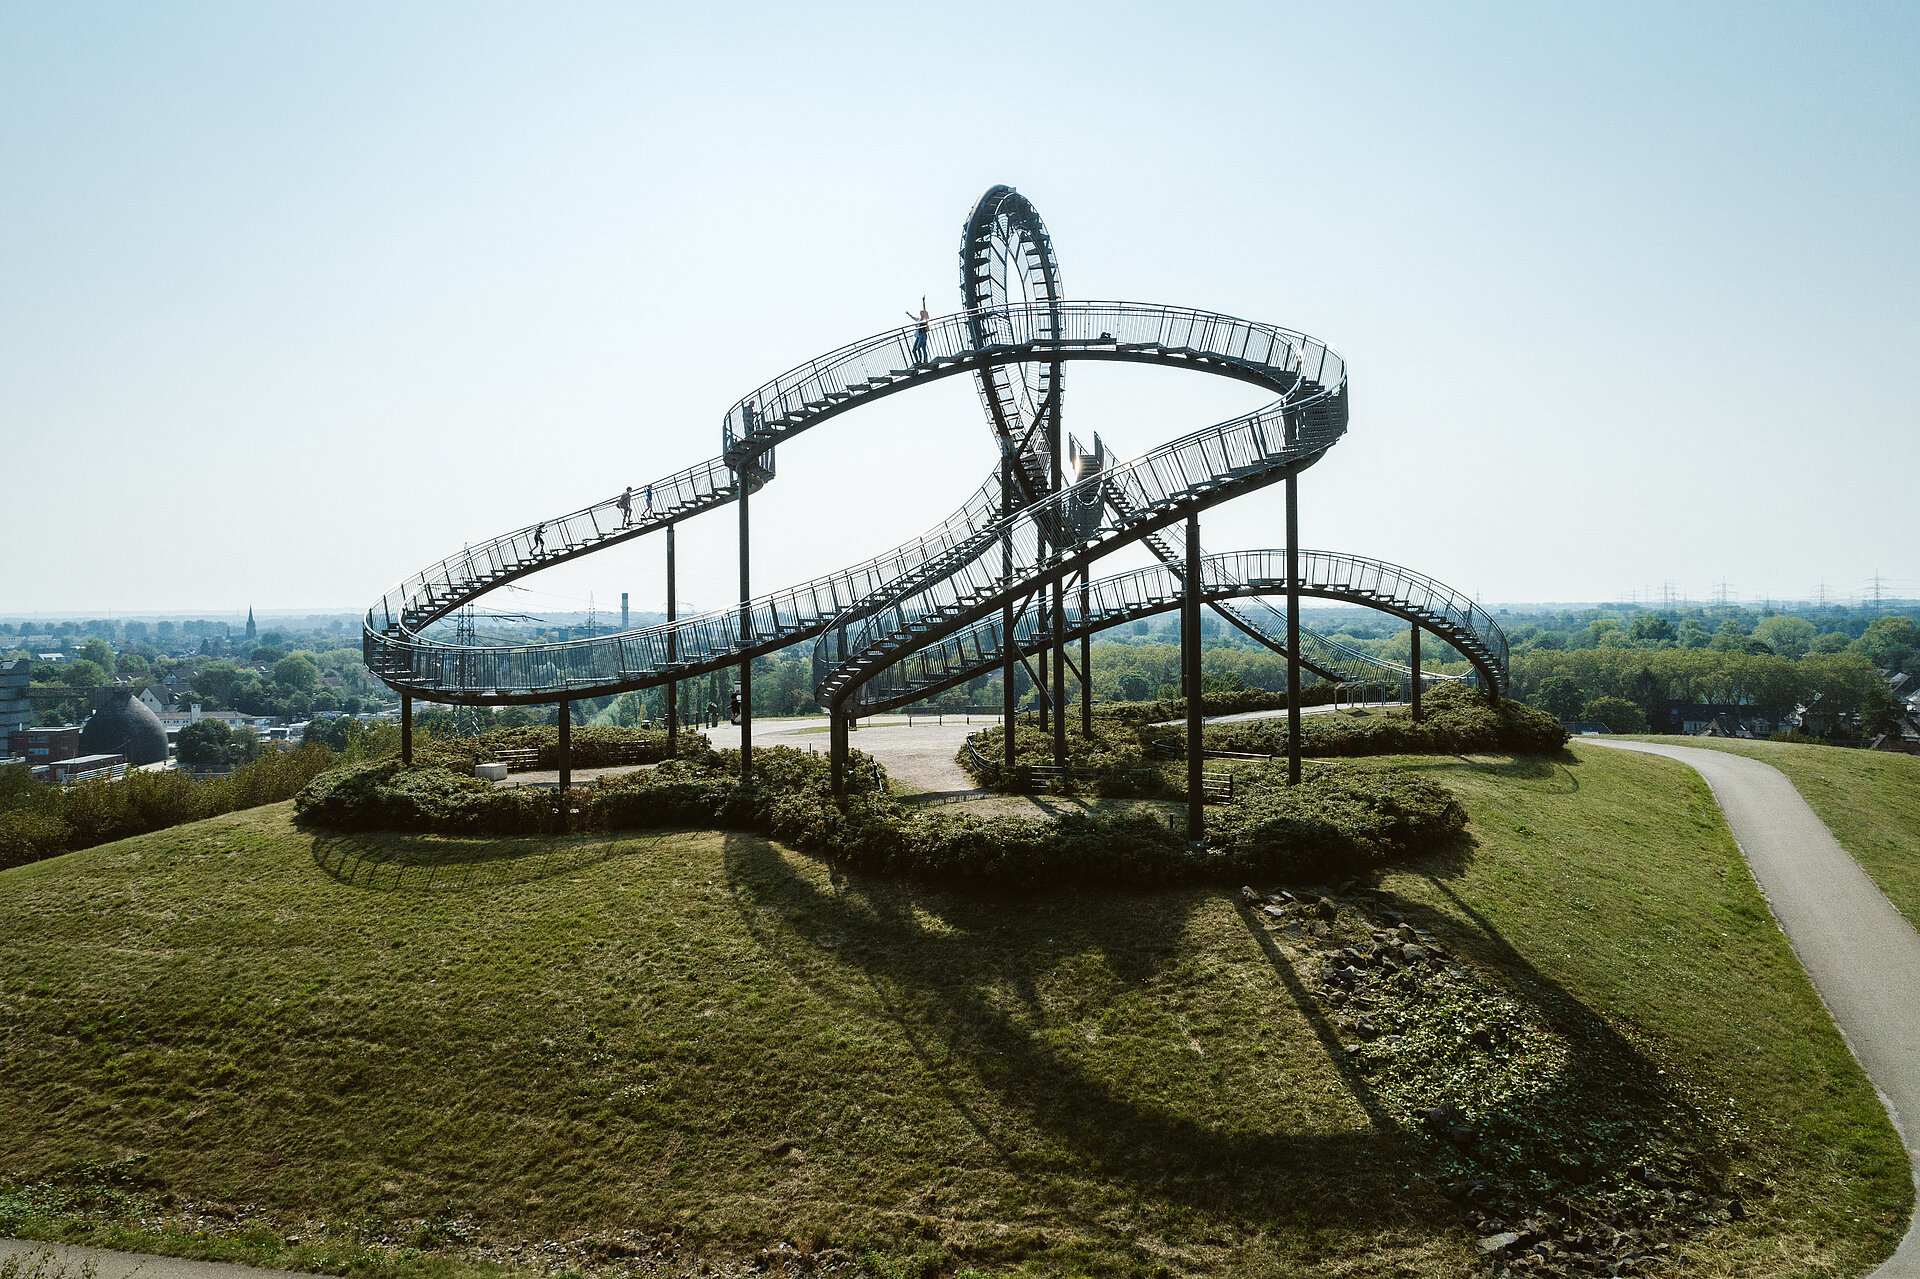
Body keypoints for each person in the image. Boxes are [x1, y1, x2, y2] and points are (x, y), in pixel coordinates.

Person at [905, 295, 930, 363]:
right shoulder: (919, 319)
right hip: (919, 335)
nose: (921, 313)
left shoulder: (925, 318)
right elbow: (913, 317)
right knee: (923, 348)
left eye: (922, 313)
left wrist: (923, 301)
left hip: (923, 334)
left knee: (919, 347)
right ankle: (924, 360)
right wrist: (908, 314)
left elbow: (924, 309)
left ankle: (921, 360)